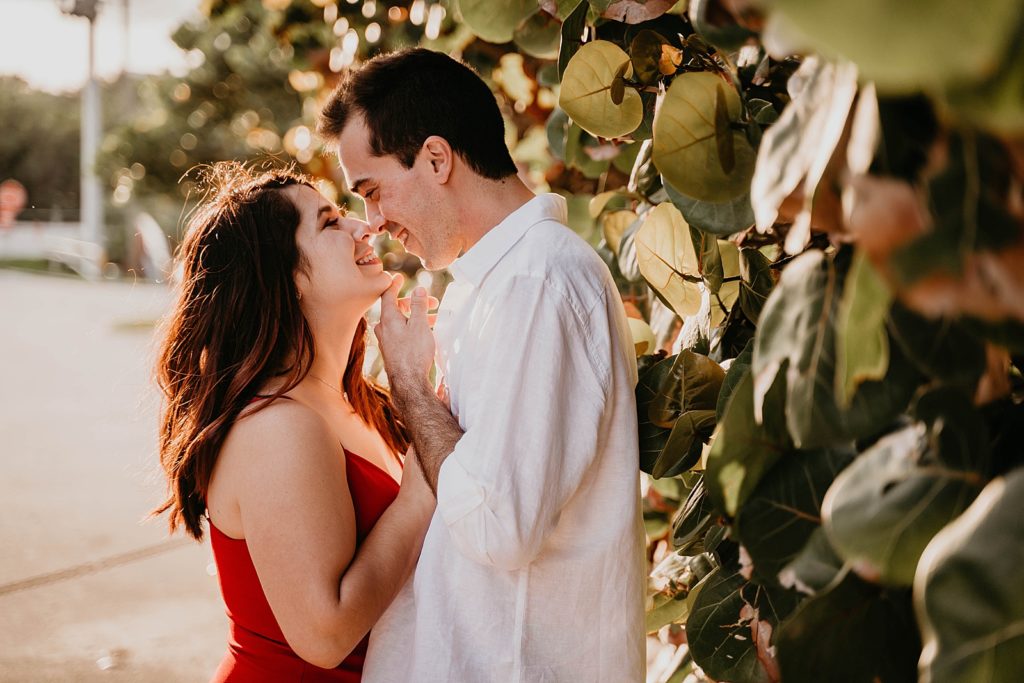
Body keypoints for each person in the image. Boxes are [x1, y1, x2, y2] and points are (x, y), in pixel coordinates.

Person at [318, 48, 646, 682]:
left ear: (437, 159)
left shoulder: (539, 281)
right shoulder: (489, 283)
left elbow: (500, 528)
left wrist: (412, 389)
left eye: (373, 191)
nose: (374, 223)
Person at [153, 163, 435, 682]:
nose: (363, 227)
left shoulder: (357, 400)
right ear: (282, 274)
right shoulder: (278, 426)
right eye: (329, 223)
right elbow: (324, 636)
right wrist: (420, 492)